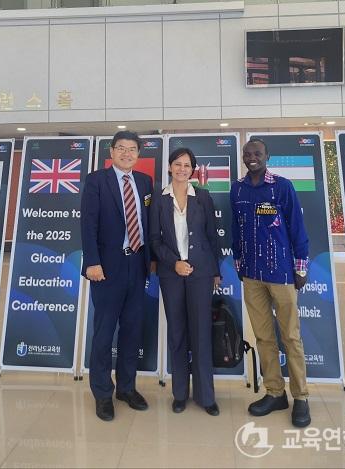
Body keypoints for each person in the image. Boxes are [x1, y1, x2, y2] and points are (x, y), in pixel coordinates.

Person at [230, 136, 311, 428]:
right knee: (264, 337)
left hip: (282, 274)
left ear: (267, 156)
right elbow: (235, 230)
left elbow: (298, 229)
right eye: (247, 153)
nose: (252, 157)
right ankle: (275, 392)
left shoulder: (282, 186)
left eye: (257, 153)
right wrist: (239, 263)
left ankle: (301, 397)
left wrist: (301, 268)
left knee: (290, 337)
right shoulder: (237, 188)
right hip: (252, 276)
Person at [81, 130, 153, 422]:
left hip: (137, 264)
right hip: (107, 268)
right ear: (111, 152)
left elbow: (148, 223)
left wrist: (152, 260)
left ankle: (126, 388)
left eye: (132, 149)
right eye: (121, 148)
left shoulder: (145, 182)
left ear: (138, 154)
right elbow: (88, 223)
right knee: (104, 332)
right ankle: (102, 393)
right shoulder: (96, 180)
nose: (126, 153)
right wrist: (92, 262)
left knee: (132, 330)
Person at [150, 147, 221, 416]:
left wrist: (215, 271)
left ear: (193, 170)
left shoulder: (202, 197)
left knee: (201, 333)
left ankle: (206, 396)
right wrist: (174, 263)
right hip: (171, 275)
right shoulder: (159, 199)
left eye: (187, 165)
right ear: (170, 167)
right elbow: (154, 240)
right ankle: (180, 393)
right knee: (177, 333)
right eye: (177, 164)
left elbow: (212, 237)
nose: (182, 169)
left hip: (201, 274)